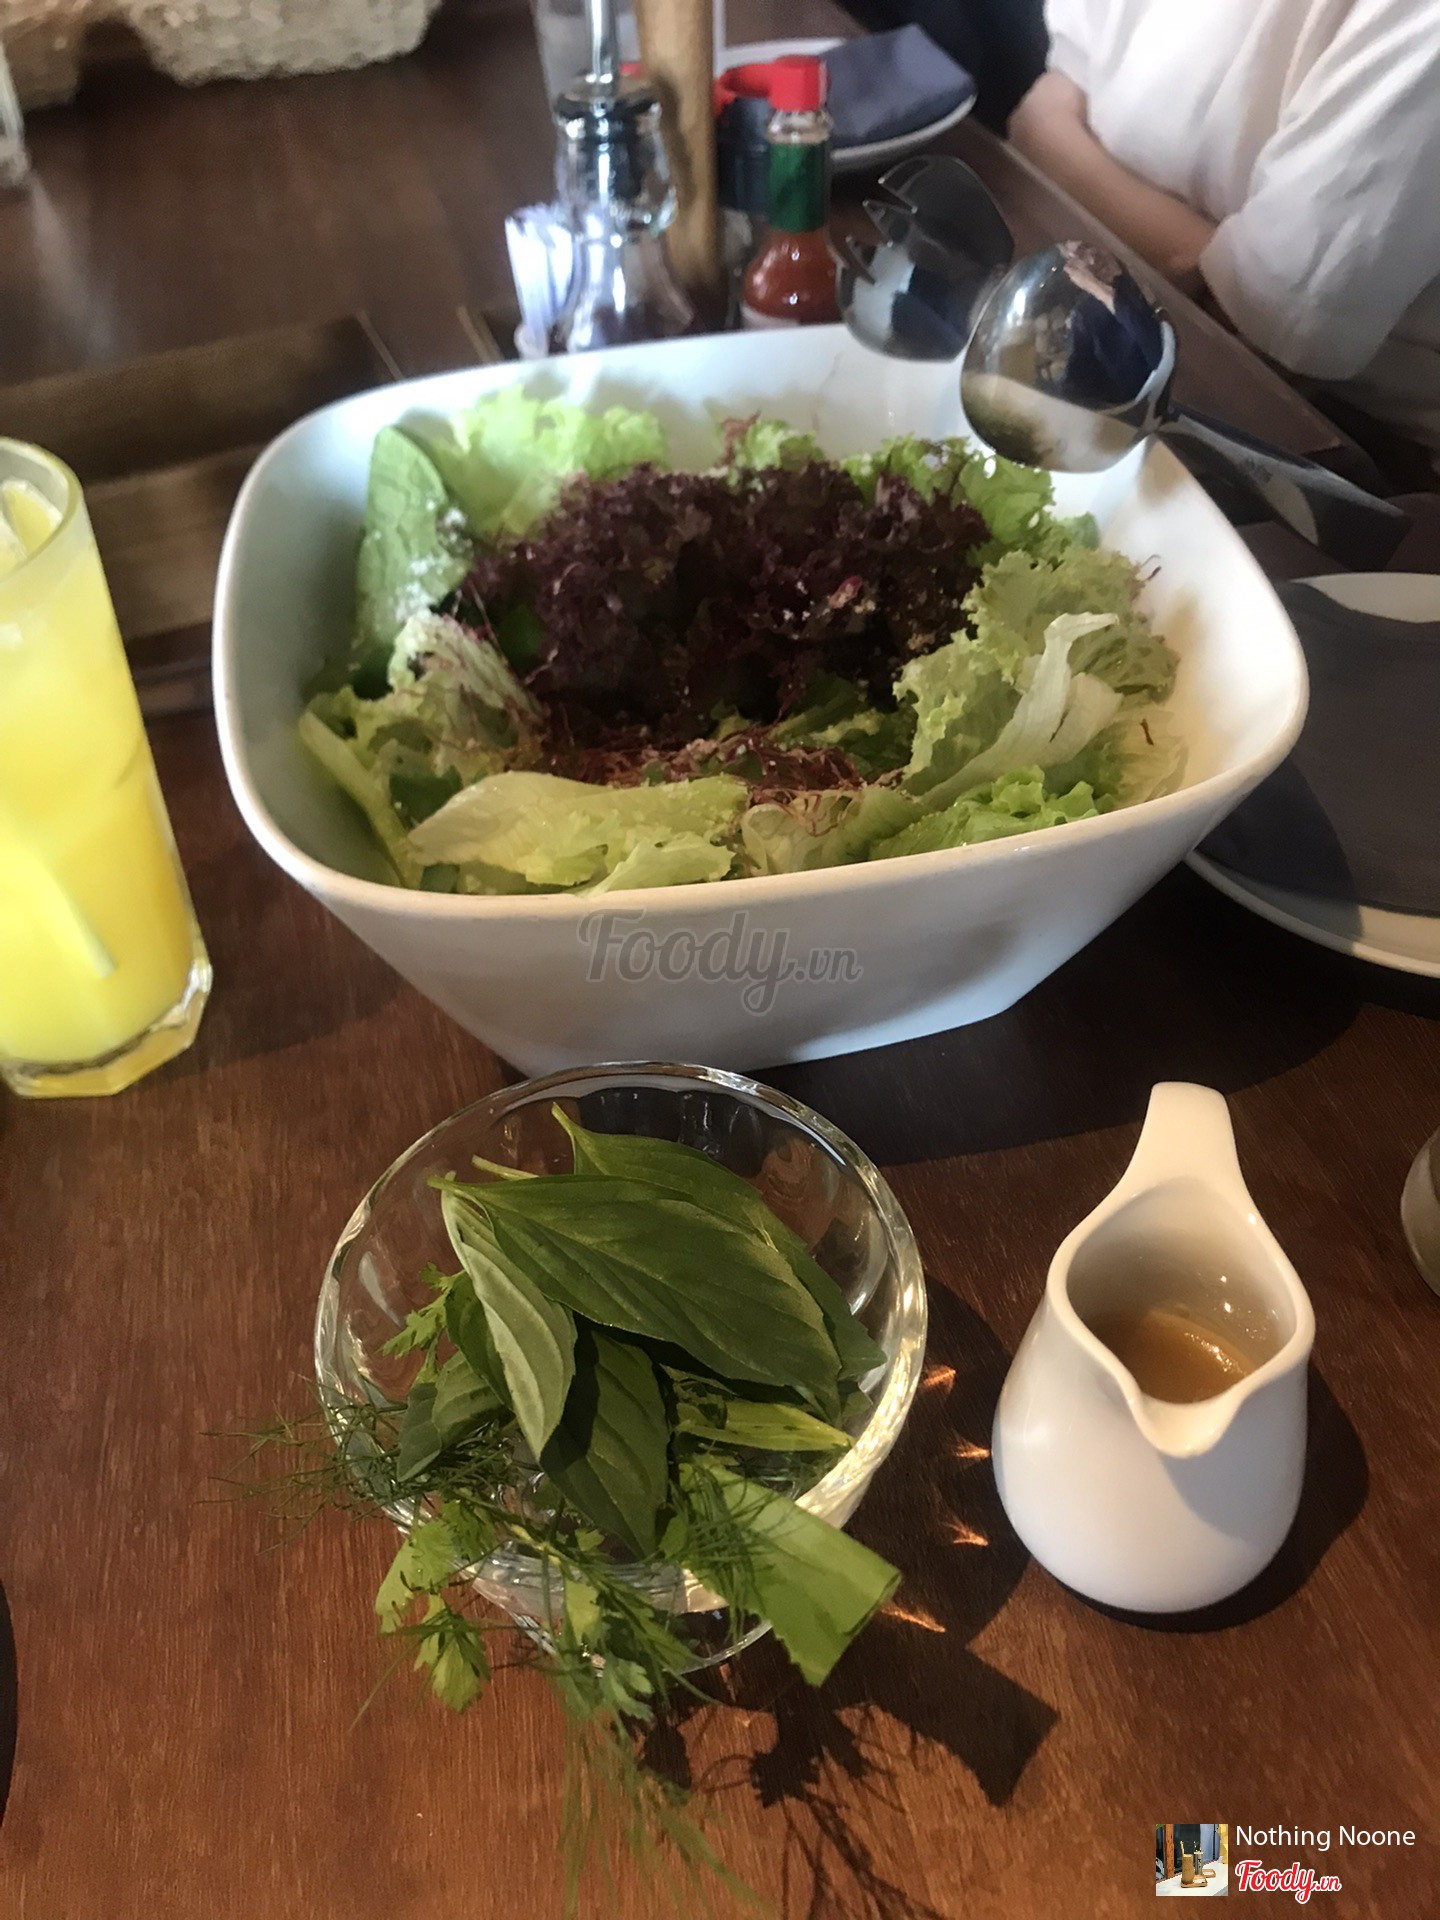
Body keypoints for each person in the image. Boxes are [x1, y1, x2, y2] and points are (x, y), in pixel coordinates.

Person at [1006, 0, 1440, 470]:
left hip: (1341, 432)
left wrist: (1051, 138)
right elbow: (1059, 85)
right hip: (1083, 280)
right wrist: (1049, 134)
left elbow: (1258, 321)